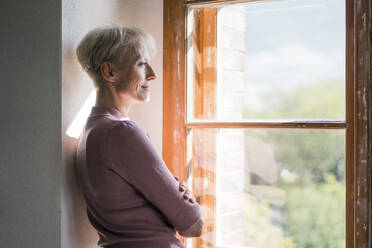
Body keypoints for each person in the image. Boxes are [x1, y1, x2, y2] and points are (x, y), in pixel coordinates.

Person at [75, 26, 204, 248]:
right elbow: (193, 224)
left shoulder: (92, 129)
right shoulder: (121, 132)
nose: (152, 74)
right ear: (110, 73)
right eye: (142, 64)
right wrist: (184, 198)